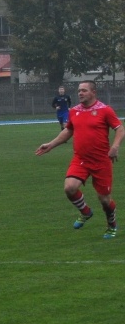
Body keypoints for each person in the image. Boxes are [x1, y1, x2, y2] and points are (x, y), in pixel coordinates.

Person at [35, 80, 124, 239]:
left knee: (104, 200)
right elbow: (68, 131)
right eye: (79, 91)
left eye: (84, 90)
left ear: (93, 92)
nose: (80, 93)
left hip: (101, 161)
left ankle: (111, 225)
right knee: (69, 188)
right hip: (80, 159)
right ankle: (85, 212)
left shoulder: (105, 110)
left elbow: (120, 129)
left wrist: (115, 146)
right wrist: (51, 145)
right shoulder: (74, 111)